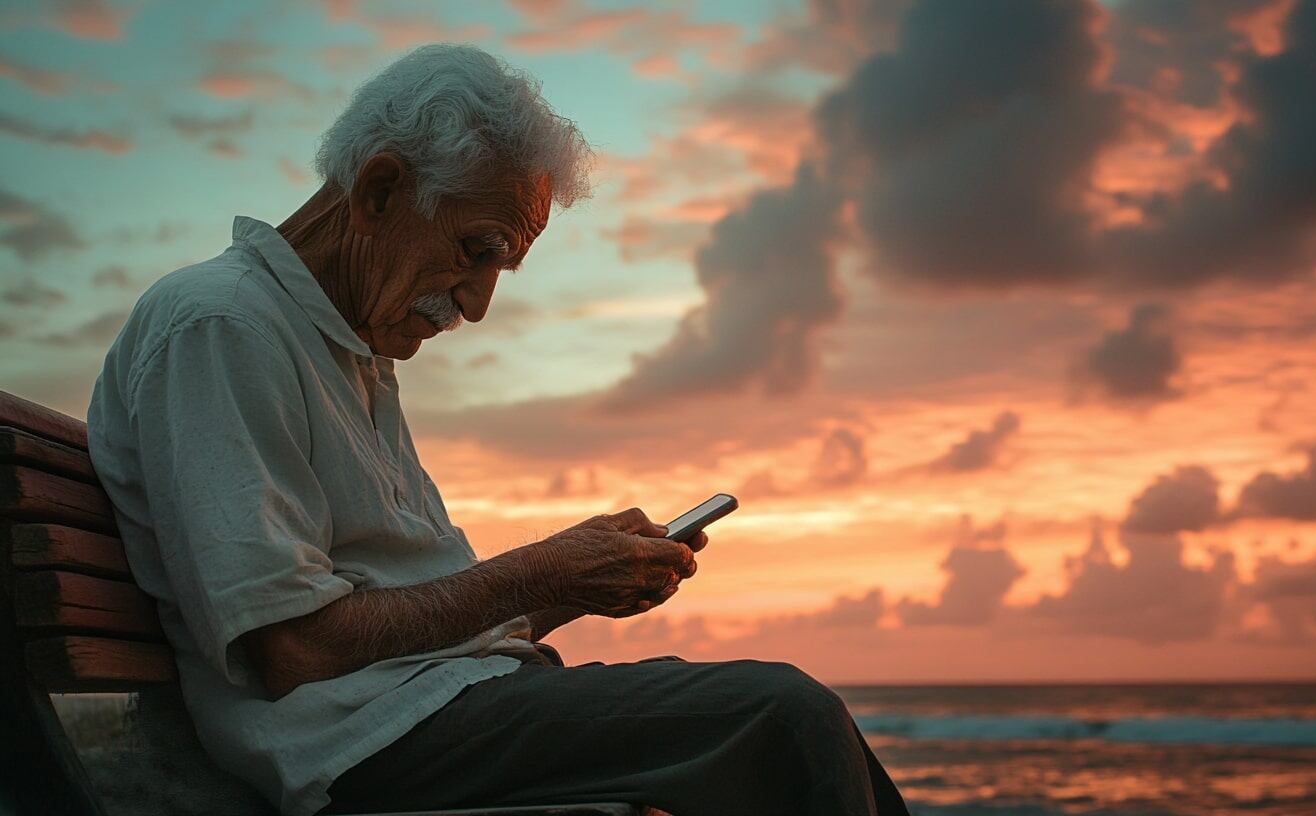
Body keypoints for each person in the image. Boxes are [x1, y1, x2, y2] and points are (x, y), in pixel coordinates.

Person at [86, 44, 909, 816]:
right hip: (361, 746)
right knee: (783, 714)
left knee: (799, 722)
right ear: (378, 191)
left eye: (498, 268)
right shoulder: (222, 327)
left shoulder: (346, 352)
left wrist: (571, 584)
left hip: (430, 711)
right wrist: (539, 573)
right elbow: (293, 651)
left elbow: (413, 614)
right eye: (475, 252)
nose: (476, 304)